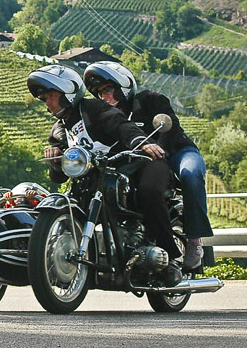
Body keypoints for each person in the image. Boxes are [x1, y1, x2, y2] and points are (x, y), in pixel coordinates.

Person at [27, 64, 182, 282]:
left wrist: (142, 143)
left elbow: (120, 126)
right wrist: (55, 159)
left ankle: (172, 259)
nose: (48, 103)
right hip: (94, 179)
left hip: (135, 162)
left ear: (67, 94)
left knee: (149, 192)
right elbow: (59, 177)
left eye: (51, 96)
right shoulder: (60, 129)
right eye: (45, 99)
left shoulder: (93, 109)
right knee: (72, 205)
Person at [83, 61, 213, 269]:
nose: (105, 97)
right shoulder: (109, 117)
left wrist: (158, 154)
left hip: (177, 151)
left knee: (191, 173)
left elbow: (169, 127)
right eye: (100, 93)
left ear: (122, 86)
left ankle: (195, 240)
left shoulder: (149, 100)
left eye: (108, 89)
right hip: (144, 162)